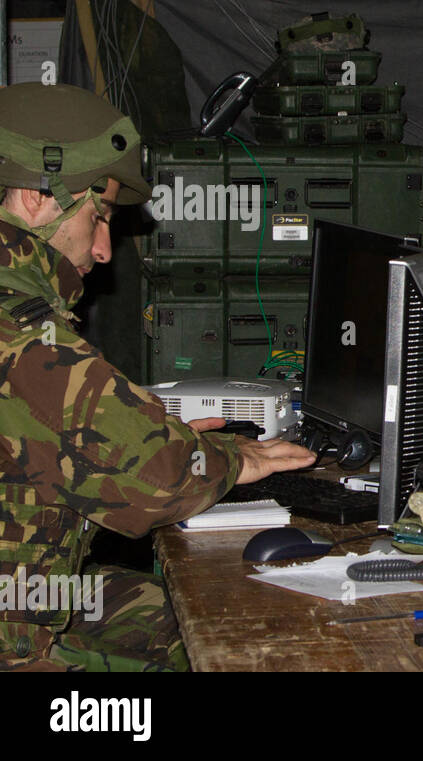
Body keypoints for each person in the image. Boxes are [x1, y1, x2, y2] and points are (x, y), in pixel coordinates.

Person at [0, 83, 318, 671]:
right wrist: (231, 458)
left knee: (189, 609)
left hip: (29, 601)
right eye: (99, 217)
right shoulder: (20, 333)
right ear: (33, 196)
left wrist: (153, 438)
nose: (102, 250)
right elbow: (158, 475)